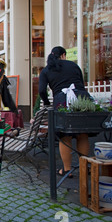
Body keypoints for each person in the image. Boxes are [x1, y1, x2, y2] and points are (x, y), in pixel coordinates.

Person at [39, 46, 91, 177]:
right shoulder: (73, 66)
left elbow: (41, 90)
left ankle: (67, 169)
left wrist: (46, 102)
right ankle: (84, 167)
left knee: (64, 135)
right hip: (82, 98)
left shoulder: (46, 70)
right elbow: (81, 84)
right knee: (83, 134)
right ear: (63, 55)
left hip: (62, 100)